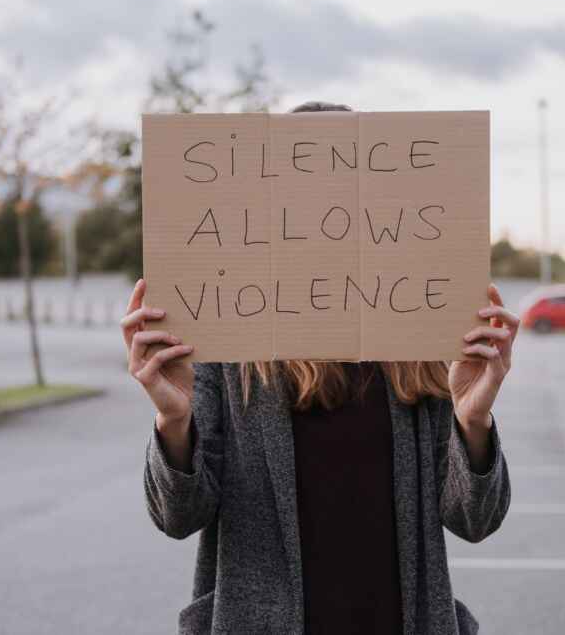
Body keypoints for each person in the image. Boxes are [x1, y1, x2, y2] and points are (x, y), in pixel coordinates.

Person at [127, 102, 515, 635]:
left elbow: (475, 521)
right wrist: (173, 425)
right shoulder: (227, 349)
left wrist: (473, 423)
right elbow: (177, 518)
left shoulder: (419, 345)